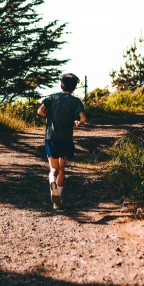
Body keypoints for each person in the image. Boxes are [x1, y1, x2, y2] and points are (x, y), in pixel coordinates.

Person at [37, 73, 87, 210]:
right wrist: (76, 124)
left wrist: (50, 118)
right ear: (74, 87)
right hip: (66, 139)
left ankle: (51, 180)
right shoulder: (76, 101)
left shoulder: (52, 98)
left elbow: (40, 111)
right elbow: (83, 118)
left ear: (61, 85)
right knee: (62, 167)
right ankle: (57, 201)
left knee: (53, 169)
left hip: (51, 137)